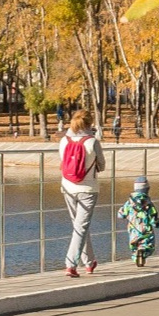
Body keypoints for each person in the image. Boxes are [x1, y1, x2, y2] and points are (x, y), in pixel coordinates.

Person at [57, 109, 103, 276]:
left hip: (68, 188)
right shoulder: (92, 142)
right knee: (81, 227)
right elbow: (102, 166)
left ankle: (89, 262)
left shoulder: (64, 141)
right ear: (90, 124)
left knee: (79, 227)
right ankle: (71, 264)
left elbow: (62, 163)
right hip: (88, 189)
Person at [122, 177, 159, 266]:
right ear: (147, 189)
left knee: (134, 245)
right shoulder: (149, 204)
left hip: (133, 228)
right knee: (148, 244)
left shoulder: (129, 203)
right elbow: (153, 219)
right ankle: (143, 252)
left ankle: (135, 255)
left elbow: (121, 214)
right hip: (146, 229)